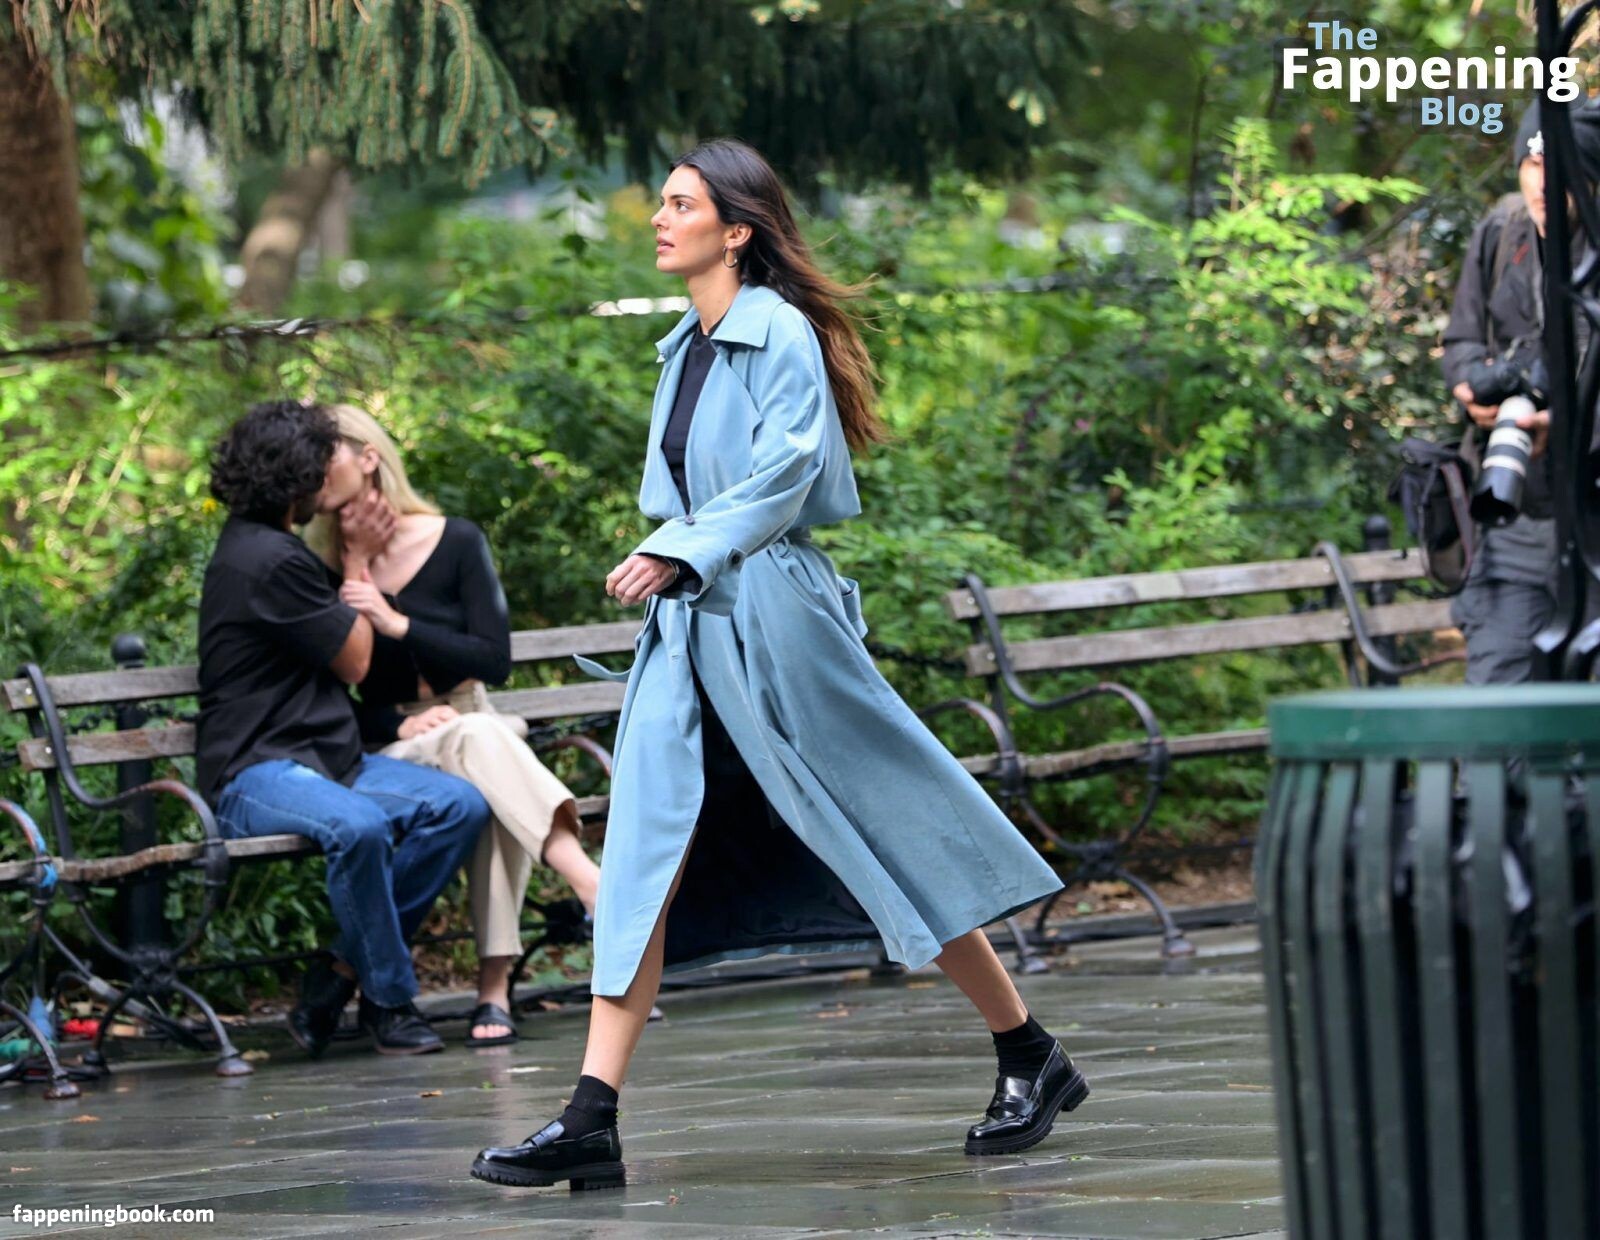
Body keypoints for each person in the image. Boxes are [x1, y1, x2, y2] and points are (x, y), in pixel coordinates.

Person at [471, 139, 1081, 1192]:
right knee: (644, 856)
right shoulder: (683, 344)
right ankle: (589, 1117)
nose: (659, 218)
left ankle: (1028, 1049)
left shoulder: (777, 331)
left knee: (881, 827)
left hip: (777, 623)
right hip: (688, 633)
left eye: (680, 204)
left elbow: (789, 468)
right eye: (662, 203)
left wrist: (683, 549)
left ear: (736, 231)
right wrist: (675, 557)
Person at [302, 405, 603, 1046]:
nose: (311, 469)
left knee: (483, 764)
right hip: (391, 751)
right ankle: (587, 885)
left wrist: (397, 624)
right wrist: (396, 722)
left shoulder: (457, 540)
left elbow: (493, 659)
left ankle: (493, 990)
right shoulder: (320, 570)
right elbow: (323, 699)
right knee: (484, 743)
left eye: (324, 453)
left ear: (368, 458)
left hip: (472, 721)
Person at [197, 400, 490, 1057]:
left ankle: (337, 975)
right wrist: (357, 560)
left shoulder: (267, 547)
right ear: (295, 480)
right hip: (255, 772)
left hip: (327, 759)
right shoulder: (269, 559)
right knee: (358, 827)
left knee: (458, 805)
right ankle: (390, 1002)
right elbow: (356, 661)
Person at [1442, 101, 1600, 683]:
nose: (1543, 183)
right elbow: (1460, 339)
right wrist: (1474, 388)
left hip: (1594, 516)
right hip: (1514, 512)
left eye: (1560, 166)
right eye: (1532, 164)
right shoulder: (1500, 231)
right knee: (1498, 699)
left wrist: (1569, 426)